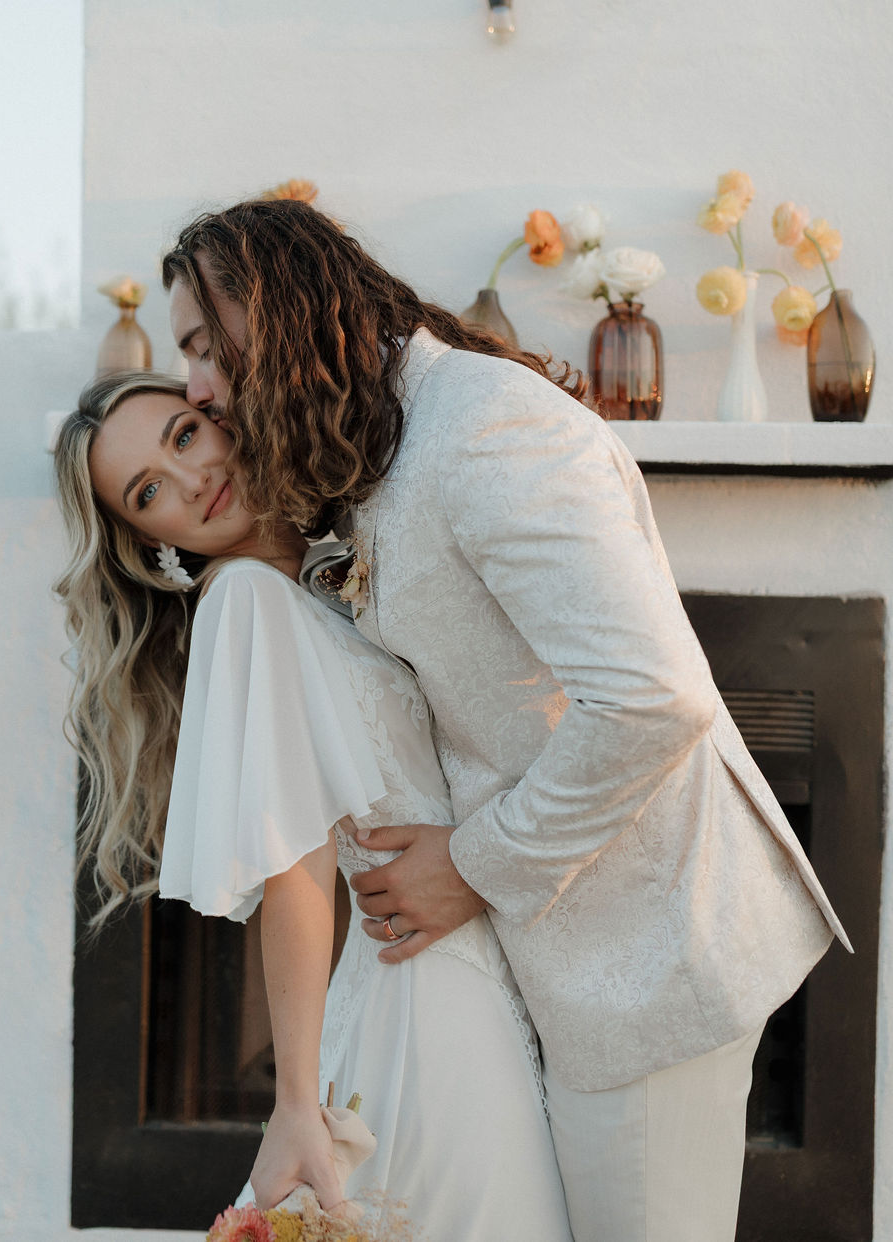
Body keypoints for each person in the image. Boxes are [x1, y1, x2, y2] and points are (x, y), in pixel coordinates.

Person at [160, 197, 852, 1242]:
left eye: (208, 347)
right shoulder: (375, 448)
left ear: (285, 309)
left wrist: (472, 865)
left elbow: (648, 695)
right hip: (542, 961)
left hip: (648, 951)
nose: (198, 384)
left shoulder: (485, 427)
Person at [52, 369, 575, 1240]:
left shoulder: (317, 586)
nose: (191, 480)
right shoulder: (247, 603)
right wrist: (294, 1102)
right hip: (426, 999)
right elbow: (296, 862)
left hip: (461, 975)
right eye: (149, 492)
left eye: (185, 436)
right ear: (150, 543)